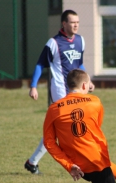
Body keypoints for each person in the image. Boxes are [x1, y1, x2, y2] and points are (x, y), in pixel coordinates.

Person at [25, 9, 94, 174]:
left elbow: (79, 64)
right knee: (72, 126)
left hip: (77, 90)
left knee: (56, 130)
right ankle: (79, 162)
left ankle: (32, 162)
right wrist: (33, 86)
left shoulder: (80, 41)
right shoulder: (53, 43)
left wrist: (88, 80)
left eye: (77, 22)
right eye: (72, 22)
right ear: (64, 23)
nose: (76, 25)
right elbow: (40, 64)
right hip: (60, 91)